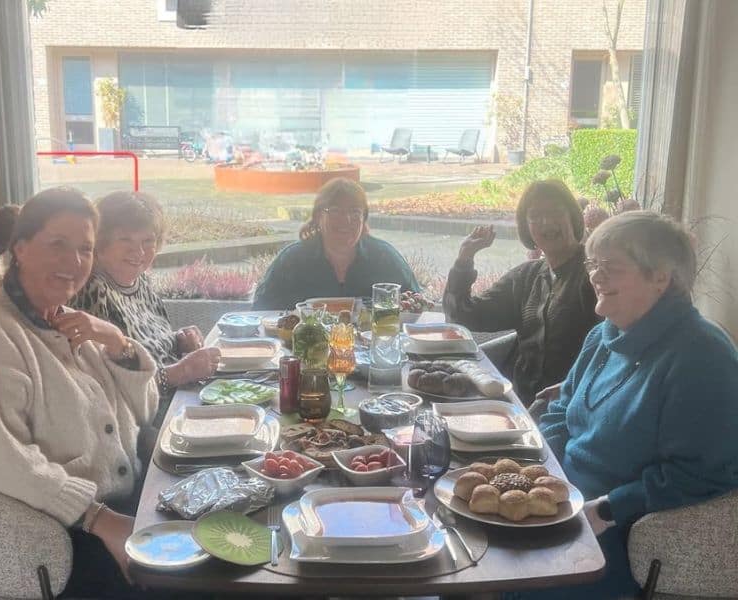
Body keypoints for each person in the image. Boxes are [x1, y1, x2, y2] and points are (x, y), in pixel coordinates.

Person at [0, 188, 157, 598]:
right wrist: (99, 519)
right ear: (20, 249)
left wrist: (117, 343)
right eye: (58, 244)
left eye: (85, 249)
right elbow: (0, 458)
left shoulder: (64, 318)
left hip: (124, 504)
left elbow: (145, 411)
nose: (74, 263)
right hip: (54, 539)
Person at [537, 211, 738, 598]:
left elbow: (706, 473)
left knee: (494, 575)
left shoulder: (701, 356)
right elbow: (562, 410)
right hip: (563, 504)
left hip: (621, 537)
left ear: (660, 277)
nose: (595, 276)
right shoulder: (603, 335)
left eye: (610, 266)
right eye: (593, 264)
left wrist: (605, 509)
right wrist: (549, 475)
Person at [442, 179, 599, 406]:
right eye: (535, 216)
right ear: (526, 227)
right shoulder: (527, 277)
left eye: (556, 212)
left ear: (573, 217)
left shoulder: (596, 276)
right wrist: (464, 259)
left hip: (568, 406)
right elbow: (463, 317)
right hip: (516, 402)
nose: (547, 223)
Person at [71, 191, 220, 421]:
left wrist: (178, 341)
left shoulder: (140, 281)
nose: (139, 252)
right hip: (142, 426)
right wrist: (180, 372)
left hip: (175, 404)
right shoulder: (93, 291)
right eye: (125, 240)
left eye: (148, 241)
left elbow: (148, 348)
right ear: (101, 242)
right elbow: (107, 391)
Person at [252, 177, 420, 310]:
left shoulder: (385, 259)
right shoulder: (291, 261)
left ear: (364, 219)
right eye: (335, 211)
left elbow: (416, 305)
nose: (346, 220)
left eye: (355, 212)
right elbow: (261, 312)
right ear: (318, 216)